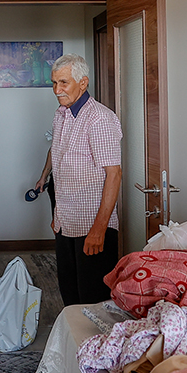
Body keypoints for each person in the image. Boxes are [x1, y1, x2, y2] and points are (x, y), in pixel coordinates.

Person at [35, 54, 122, 305]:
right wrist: (44, 176)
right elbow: (56, 149)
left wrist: (99, 230)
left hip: (92, 227)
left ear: (83, 83)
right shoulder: (62, 113)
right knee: (70, 294)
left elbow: (114, 174)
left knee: (93, 300)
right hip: (66, 222)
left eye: (63, 83)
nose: (57, 90)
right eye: (54, 83)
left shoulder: (100, 119)